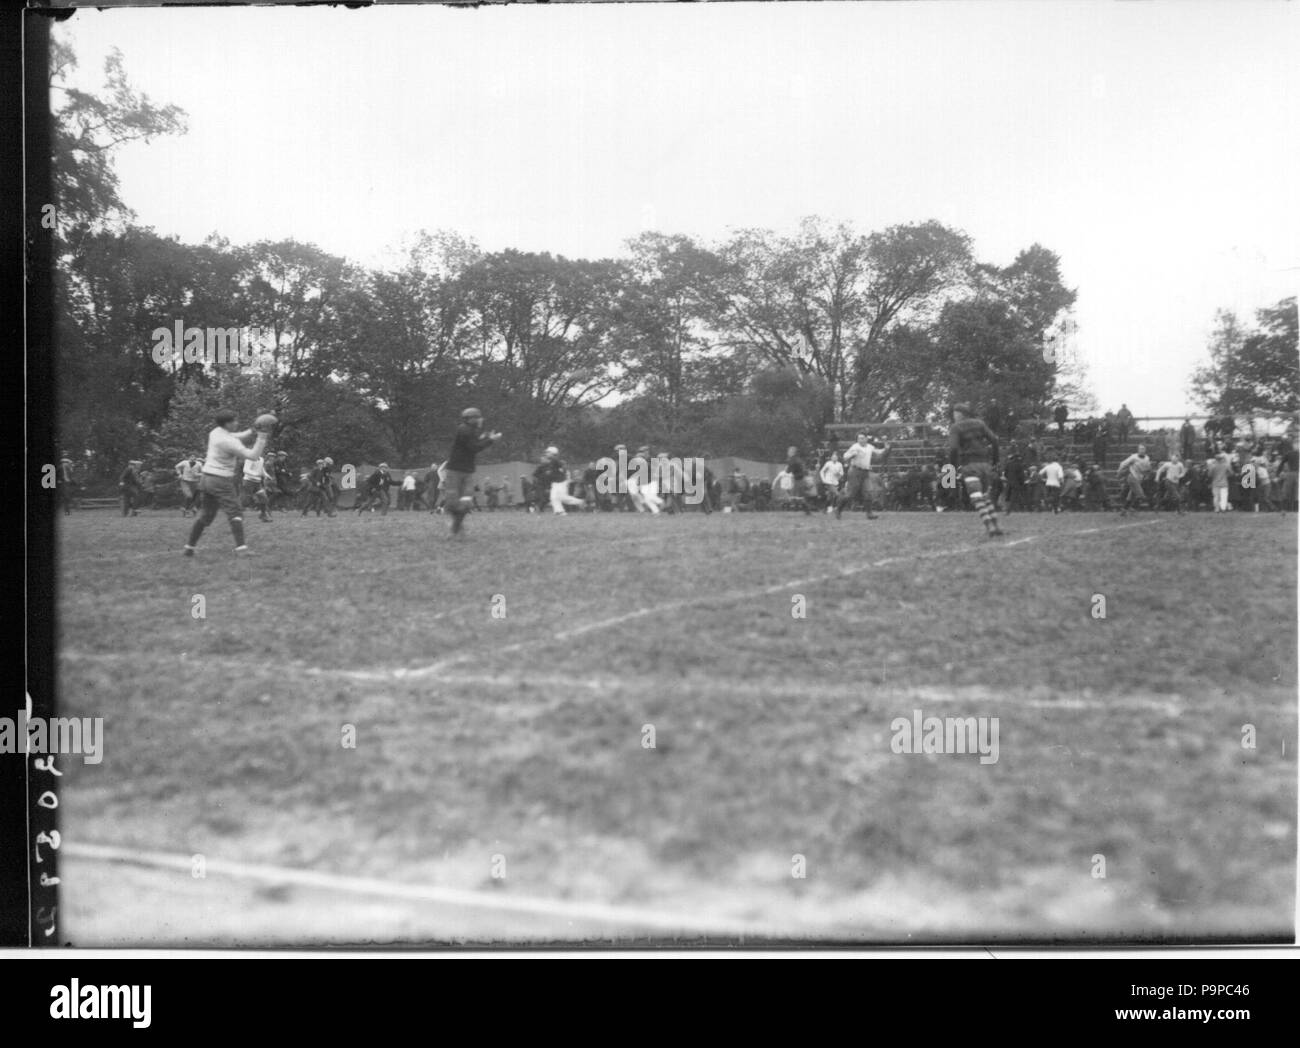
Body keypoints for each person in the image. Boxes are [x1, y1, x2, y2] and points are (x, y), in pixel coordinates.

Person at [182, 408, 271, 557]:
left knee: (206, 515)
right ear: (227, 424)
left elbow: (237, 435)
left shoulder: (216, 432)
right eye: (234, 421)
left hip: (206, 479)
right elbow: (253, 455)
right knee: (235, 512)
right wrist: (262, 436)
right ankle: (242, 550)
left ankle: (189, 548)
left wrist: (253, 429)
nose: (237, 422)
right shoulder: (228, 442)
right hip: (220, 480)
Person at [947, 405, 1004, 538]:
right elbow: (995, 440)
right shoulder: (980, 423)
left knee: (976, 497)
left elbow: (953, 449)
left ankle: (989, 526)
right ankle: (997, 525)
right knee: (985, 496)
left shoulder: (956, 427)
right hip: (985, 464)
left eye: (954, 414)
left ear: (960, 414)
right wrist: (995, 461)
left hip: (969, 465)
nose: (954, 416)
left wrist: (952, 468)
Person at [444, 408, 500, 535]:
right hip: (456, 471)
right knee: (454, 504)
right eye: (478, 417)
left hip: (465, 470)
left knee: (465, 502)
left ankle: (456, 528)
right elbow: (474, 447)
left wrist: (486, 437)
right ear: (472, 419)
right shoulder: (464, 430)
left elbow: (474, 443)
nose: (481, 419)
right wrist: (491, 440)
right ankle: (456, 528)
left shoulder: (469, 430)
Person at [834, 430, 886, 520]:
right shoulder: (855, 447)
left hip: (865, 472)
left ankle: (869, 514)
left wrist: (886, 448)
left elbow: (878, 452)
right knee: (850, 495)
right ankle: (838, 509)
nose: (860, 440)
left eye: (862, 438)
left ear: (866, 439)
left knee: (868, 492)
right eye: (859, 438)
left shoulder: (870, 447)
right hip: (855, 472)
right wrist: (852, 455)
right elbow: (845, 456)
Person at [536, 447, 586, 515]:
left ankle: (579, 502)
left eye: (548, 452)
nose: (546, 453)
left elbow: (561, 465)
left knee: (562, 498)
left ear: (553, 453)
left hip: (560, 482)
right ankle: (559, 511)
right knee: (553, 497)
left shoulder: (554, 460)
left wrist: (560, 470)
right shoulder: (551, 461)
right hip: (555, 483)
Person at [1116, 444, 1152, 516]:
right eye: (1140, 449)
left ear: (1145, 450)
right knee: (1141, 495)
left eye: (1143, 449)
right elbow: (1123, 463)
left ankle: (1124, 511)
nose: (1142, 450)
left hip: (1139, 479)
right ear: (1138, 450)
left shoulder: (1147, 458)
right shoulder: (1133, 457)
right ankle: (1132, 509)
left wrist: (1147, 472)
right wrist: (1119, 471)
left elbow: (1148, 468)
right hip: (1132, 477)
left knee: (1131, 496)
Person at [243, 451, 273, 523]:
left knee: (264, 498)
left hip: (257, 483)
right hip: (248, 482)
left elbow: (261, 469)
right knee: (246, 501)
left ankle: (263, 516)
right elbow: (245, 470)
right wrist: (255, 474)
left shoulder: (261, 459)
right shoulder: (250, 459)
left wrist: (266, 475)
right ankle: (237, 516)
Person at [1207, 448, 1232, 512]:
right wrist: (1227, 475)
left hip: (1215, 483)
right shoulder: (1226, 465)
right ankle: (1223, 508)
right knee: (1224, 496)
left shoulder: (1213, 466)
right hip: (1224, 483)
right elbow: (1231, 473)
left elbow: (1209, 474)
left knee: (1216, 497)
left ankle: (1216, 509)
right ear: (1221, 459)